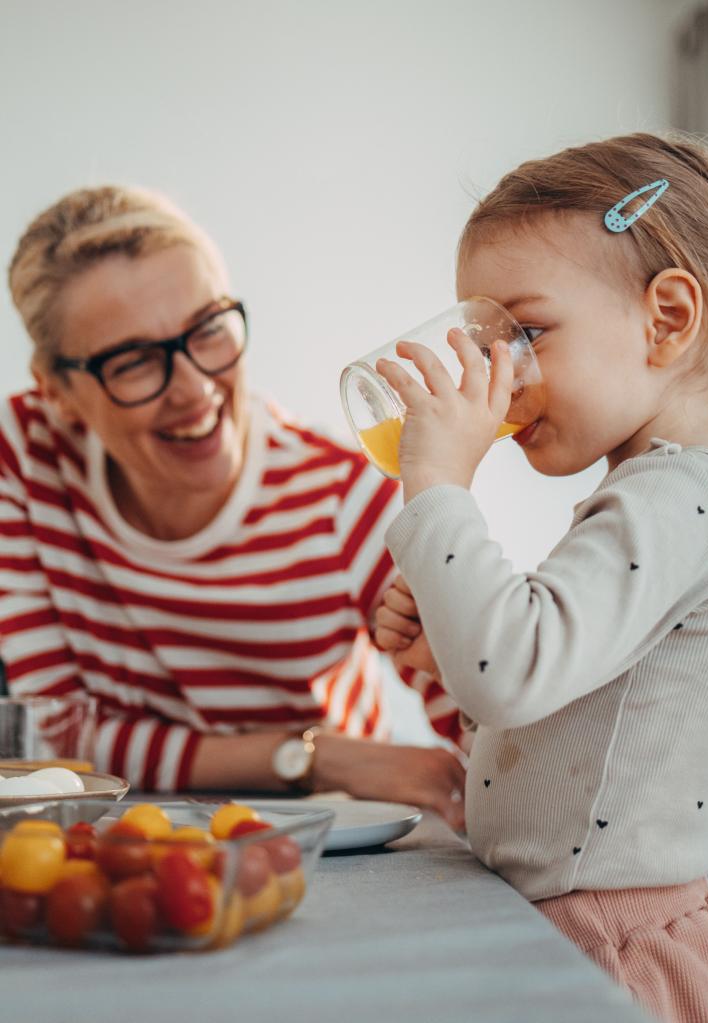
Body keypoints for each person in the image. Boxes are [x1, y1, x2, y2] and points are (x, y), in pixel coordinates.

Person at [373, 133, 708, 1022]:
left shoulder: (676, 501)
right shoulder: (662, 494)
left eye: (526, 332)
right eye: (483, 341)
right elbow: (563, 701)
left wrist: (437, 484)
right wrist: (452, 651)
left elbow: (509, 671)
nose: (499, 373)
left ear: (666, 319)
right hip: (579, 921)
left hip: (611, 948)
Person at [0, 185, 465, 826]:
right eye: (133, 361)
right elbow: (55, 740)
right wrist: (310, 757)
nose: (195, 390)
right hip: (117, 849)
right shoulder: (22, 456)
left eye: (208, 328)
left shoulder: (338, 500)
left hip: (325, 850)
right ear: (57, 392)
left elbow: (489, 716)